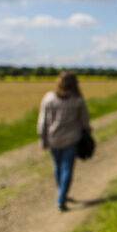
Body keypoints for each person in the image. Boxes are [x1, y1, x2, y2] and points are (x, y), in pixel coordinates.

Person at [37, 71, 91, 211]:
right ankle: (61, 198)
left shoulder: (49, 98)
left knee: (58, 166)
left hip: (53, 139)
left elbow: (43, 122)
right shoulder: (78, 99)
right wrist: (87, 133)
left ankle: (61, 193)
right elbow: (84, 121)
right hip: (71, 140)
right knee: (67, 168)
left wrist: (43, 138)